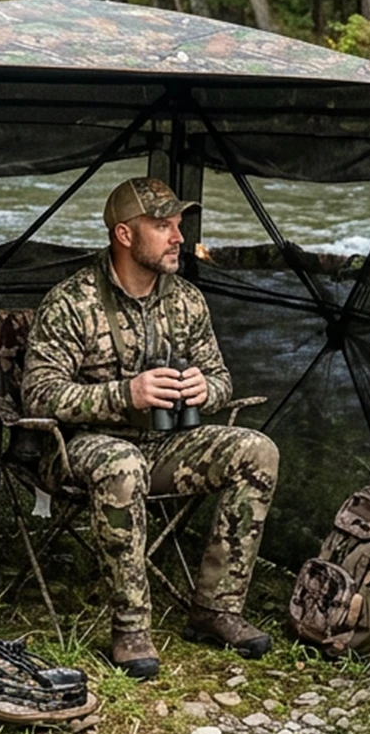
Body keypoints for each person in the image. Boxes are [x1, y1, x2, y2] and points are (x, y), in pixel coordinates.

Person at [20, 177, 280, 680]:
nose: (178, 238)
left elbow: (222, 377)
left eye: (178, 226)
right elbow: (39, 395)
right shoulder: (71, 301)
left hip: (164, 446)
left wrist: (207, 390)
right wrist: (126, 394)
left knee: (257, 450)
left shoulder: (186, 300)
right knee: (122, 464)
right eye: (162, 227)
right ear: (123, 234)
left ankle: (215, 608)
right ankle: (131, 626)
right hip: (80, 449)